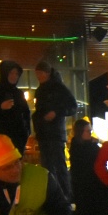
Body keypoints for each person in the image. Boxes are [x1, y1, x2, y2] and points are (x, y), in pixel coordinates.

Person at [32, 60, 78, 197]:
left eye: (40, 74)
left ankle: (64, 194)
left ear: (47, 73)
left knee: (58, 165)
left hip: (55, 133)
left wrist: (56, 113)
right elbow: (39, 112)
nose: (38, 77)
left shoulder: (58, 88)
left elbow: (72, 106)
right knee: (47, 167)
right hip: (44, 134)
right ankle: (52, 194)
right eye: (37, 75)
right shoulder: (40, 90)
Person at [68, 118, 108, 215]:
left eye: (90, 130)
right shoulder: (82, 148)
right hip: (88, 187)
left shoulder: (80, 145)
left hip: (94, 185)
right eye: (88, 131)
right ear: (80, 132)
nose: (90, 133)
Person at [0, 60, 31, 157]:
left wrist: (26, 131)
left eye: (16, 74)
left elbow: (26, 113)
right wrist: (0, 107)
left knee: (16, 164)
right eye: (11, 73)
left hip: (17, 139)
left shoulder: (18, 93)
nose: (14, 76)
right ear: (5, 73)